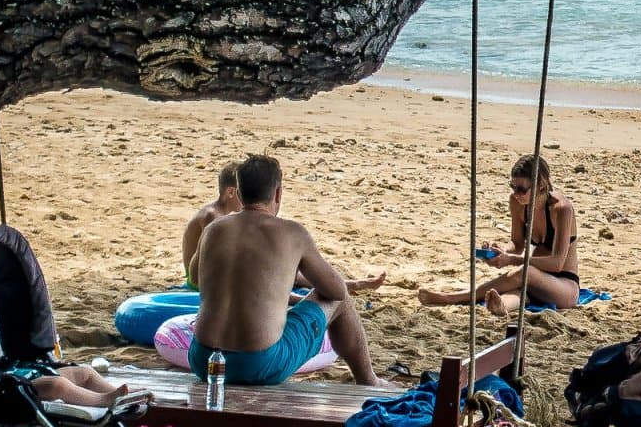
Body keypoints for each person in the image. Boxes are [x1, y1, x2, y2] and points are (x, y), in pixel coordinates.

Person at [190, 155, 388, 387]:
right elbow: (335, 290)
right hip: (259, 364)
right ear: (277, 193)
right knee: (340, 301)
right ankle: (369, 380)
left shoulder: (213, 229)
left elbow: (195, 277)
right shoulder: (292, 233)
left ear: (240, 194)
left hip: (204, 361)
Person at [183, 159, 385, 295]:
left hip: (206, 345)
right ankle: (354, 284)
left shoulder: (218, 227)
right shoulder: (287, 231)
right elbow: (335, 292)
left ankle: (353, 284)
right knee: (331, 297)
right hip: (252, 342)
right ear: (277, 194)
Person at [417, 154, 582, 314]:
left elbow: (557, 263)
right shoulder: (518, 203)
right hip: (535, 279)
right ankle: (501, 307)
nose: (516, 194)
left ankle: (453, 298)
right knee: (518, 291)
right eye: (513, 187)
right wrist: (500, 252)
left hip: (564, 285)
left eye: (521, 189)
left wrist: (511, 260)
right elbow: (517, 245)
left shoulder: (561, 209)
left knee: (524, 272)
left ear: (540, 185)